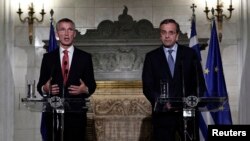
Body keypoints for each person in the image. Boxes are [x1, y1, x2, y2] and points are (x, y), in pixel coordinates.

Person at [142, 19, 206, 141]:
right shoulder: (151, 57)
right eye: (163, 32)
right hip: (163, 115)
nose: (167, 36)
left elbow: (199, 83)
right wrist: (162, 102)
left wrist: (190, 101)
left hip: (187, 113)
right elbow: (147, 87)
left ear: (177, 35)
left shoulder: (189, 54)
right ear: (160, 35)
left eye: (171, 32)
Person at [37, 18, 96, 141]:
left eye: (70, 30)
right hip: (53, 116)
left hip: (76, 116)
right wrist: (45, 88)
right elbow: (40, 85)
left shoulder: (85, 57)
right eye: (62, 30)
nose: (66, 33)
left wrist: (85, 89)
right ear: (57, 34)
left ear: (74, 33)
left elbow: (92, 85)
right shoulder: (48, 58)